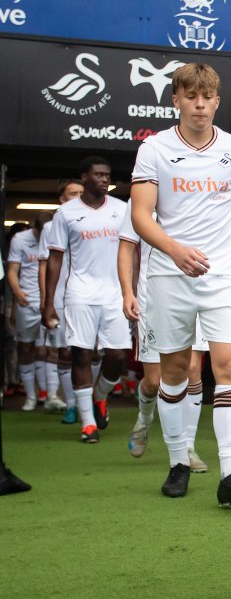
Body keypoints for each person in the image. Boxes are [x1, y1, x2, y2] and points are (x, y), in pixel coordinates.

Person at [128, 62, 231, 505]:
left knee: (229, 368)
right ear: (176, 100)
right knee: (174, 373)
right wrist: (174, 250)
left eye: (207, 97)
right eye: (191, 97)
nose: (200, 105)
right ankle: (177, 461)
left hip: (223, 275)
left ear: (217, 101)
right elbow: (140, 216)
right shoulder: (153, 149)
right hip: (169, 274)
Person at [42, 157, 131, 444]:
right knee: (80, 353)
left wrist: (135, 290)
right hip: (79, 292)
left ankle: (100, 395)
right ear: (84, 178)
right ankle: (88, 423)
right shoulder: (66, 213)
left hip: (115, 293)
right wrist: (48, 303)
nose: (105, 180)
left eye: (108, 175)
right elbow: (55, 258)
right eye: (98, 175)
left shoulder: (122, 209)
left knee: (118, 355)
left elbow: (134, 253)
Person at [118, 209, 211, 472]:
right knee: (153, 381)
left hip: (200, 290)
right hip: (154, 297)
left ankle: (188, 447)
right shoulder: (143, 197)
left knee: (192, 369)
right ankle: (144, 420)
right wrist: (127, 292)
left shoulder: (202, 186)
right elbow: (126, 248)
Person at [37, 179, 85, 424]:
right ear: (62, 199)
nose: (77, 196)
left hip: (90, 296)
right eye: (72, 193)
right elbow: (45, 264)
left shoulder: (101, 219)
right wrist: (46, 301)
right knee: (66, 352)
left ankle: (96, 400)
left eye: (80, 193)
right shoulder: (52, 226)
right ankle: (72, 404)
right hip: (60, 298)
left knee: (94, 353)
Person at [7, 213, 52, 411]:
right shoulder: (20, 239)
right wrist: (17, 292)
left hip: (49, 302)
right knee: (25, 348)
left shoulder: (55, 235)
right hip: (28, 301)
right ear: (35, 229)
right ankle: (30, 397)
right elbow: (11, 270)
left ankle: (46, 393)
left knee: (46, 350)